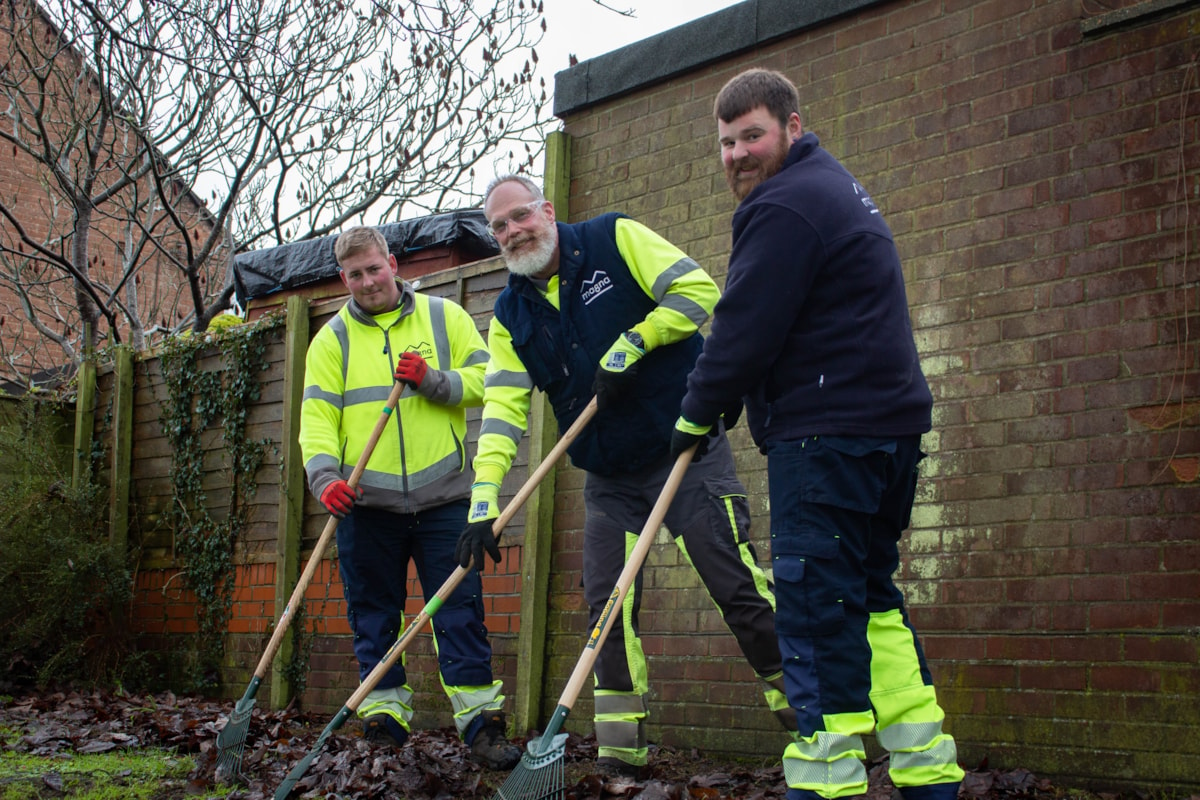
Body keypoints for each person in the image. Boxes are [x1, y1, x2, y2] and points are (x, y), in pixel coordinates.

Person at [669, 68, 964, 800]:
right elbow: (796, 320)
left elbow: (740, 326)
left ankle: (824, 786)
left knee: (811, 608)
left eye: (752, 136)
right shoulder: (833, 189)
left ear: (792, 128)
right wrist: (743, 394)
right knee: (868, 596)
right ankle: (927, 774)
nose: (737, 154)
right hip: (883, 431)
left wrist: (693, 412)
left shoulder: (785, 204)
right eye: (727, 142)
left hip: (827, 437)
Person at [455, 174, 794, 778]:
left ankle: (812, 723)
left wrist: (633, 343)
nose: (512, 232)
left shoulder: (614, 238)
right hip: (608, 477)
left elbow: (698, 291)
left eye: (520, 216)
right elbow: (503, 410)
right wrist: (484, 504)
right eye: (499, 226)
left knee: (737, 587)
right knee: (605, 613)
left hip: (683, 449)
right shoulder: (510, 313)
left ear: (548, 211)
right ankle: (622, 759)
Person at [298, 225, 520, 770]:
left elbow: (488, 381)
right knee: (374, 615)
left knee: (460, 612)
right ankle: (384, 724)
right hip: (366, 506)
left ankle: (481, 726)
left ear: (393, 264)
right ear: (342, 278)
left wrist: (432, 380)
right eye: (355, 274)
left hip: (445, 500)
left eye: (375, 269)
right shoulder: (331, 340)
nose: (368, 281)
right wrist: (324, 478)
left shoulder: (446, 318)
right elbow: (316, 419)